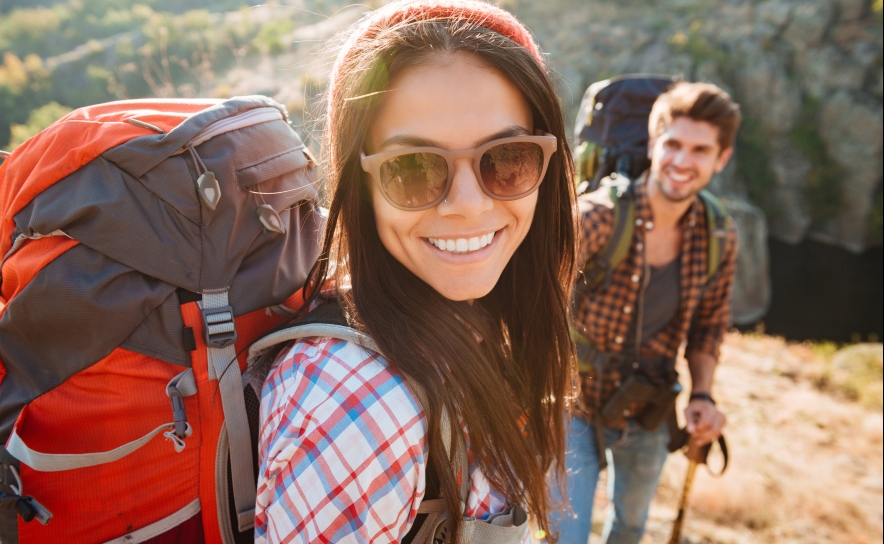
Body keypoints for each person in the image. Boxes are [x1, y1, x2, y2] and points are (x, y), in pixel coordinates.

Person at [253, 1, 577, 542]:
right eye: (412, 168)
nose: (468, 205)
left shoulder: (471, 325)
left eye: (508, 157)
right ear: (360, 189)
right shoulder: (359, 403)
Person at [556, 82, 740, 544]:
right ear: (654, 143)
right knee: (563, 537)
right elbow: (533, 308)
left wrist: (703, 395)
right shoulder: (595, 219)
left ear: (722, 158)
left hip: (652, 409)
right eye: (673, 144)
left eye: (700, 150)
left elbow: (709, 325)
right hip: (575, 405)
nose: (682, 161)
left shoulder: (718, 234)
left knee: (631, 529)